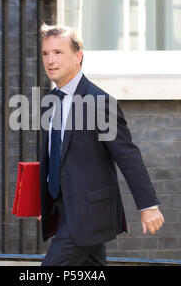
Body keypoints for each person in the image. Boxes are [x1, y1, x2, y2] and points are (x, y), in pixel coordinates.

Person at [37, 23, 164, 266]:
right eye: (45, 53)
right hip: (64, 210)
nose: (50, 60)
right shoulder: (49, 101)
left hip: (87, 214)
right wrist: (44, 198)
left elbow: (127, 155)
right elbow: (53, 156)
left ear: (78, 56)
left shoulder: (98, 102)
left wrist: (148, 206)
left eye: (58, 52)